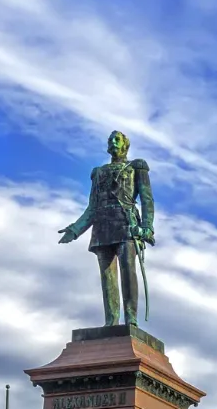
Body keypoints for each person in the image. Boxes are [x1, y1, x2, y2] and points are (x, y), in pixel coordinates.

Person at [60, 131, 156, 325]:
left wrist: (147, 227)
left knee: (128, 271)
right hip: (102, 227)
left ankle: (130, 320)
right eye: (110, 139)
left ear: (125, 145)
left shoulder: (136, 167)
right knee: (107, 277)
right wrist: (75, 229)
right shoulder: (99, 172)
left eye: (117, 139)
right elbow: (92, 207)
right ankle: (111, 322)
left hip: (126, 225)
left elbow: (147, 199)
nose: (113, 142)